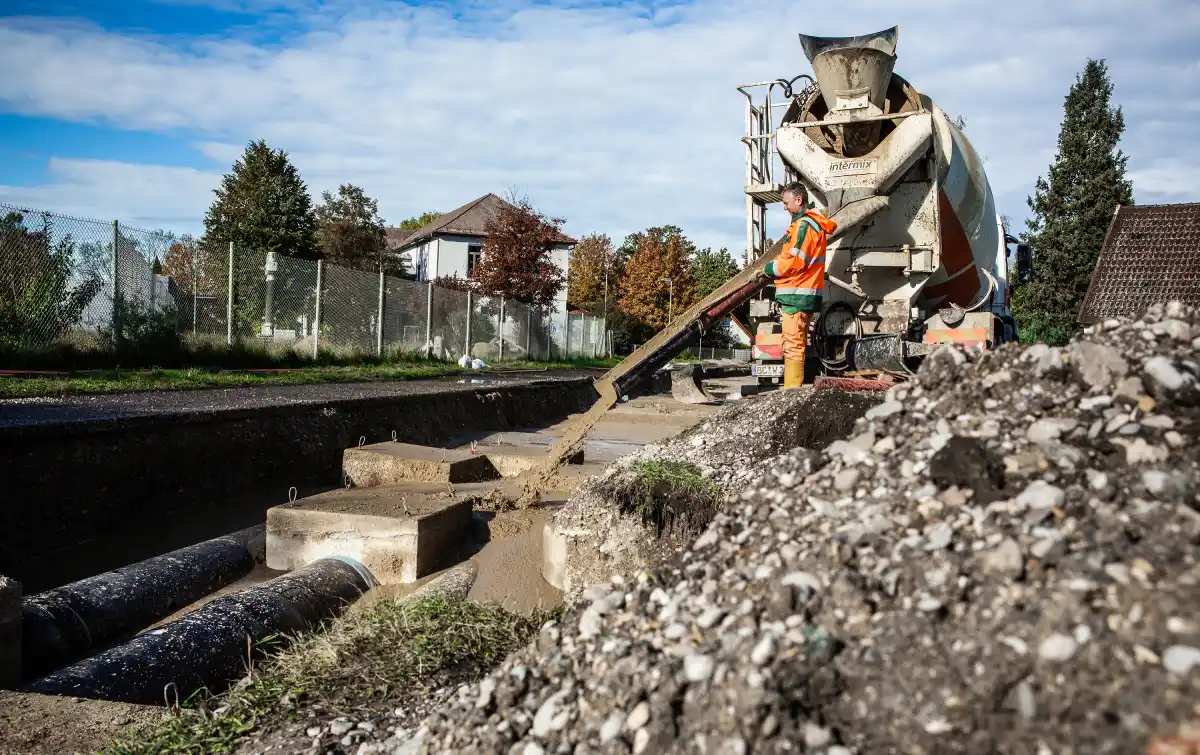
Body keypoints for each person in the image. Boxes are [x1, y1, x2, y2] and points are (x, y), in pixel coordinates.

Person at [762, 181, 837, 389]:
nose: (784, 207)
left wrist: (769, 268)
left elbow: (796, 261)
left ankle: (791, 393)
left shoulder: (804, 225)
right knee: (797, 343)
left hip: (796, 294)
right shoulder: (810, 224)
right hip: (803, 292)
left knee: (793, 345)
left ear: (798, 199)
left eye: (786, 203)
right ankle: (793, 391)